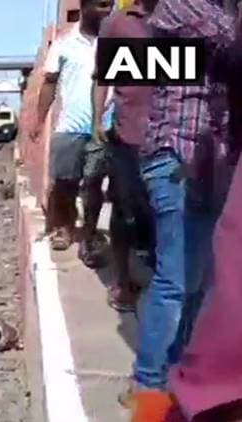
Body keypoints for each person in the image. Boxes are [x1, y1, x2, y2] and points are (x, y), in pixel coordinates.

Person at [120, 0, 237, 419]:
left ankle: (174, 378)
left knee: (197, 279)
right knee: (175, 279)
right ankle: (148, 385)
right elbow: (231, 41)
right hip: (175, 155)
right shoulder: (181, 4)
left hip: (208, 161)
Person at [32, 0, 112, 266]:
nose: (107, 11)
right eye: (102, 5)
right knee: (65, 182)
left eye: (110, 5)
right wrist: (39, 120)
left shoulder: (116, 41)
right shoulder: (64, 44)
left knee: (93, 183)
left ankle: (89, 233)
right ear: (85, 7)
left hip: (104, 126)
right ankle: (64, 227)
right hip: (70, 126)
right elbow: (49, 83)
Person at [92, 0, 156, 312]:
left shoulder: (182, 16)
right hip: (127, 134)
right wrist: (96, 119)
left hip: (171, 136)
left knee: (162, 212)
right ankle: (122, 280)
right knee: (123, 210)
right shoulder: (117, 23)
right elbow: (103, 76)